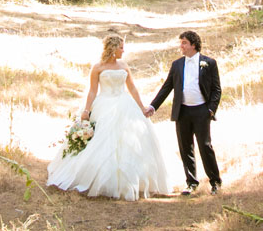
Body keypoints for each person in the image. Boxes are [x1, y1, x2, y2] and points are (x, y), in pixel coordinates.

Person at [46, 35, 174, 200]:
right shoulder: (97, 68)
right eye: (121, 47)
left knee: (129, 142)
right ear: (113, 49)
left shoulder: (124, 65)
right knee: (103, 142)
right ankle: (98, 178)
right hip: (104, 105)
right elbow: (92, 91)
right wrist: (86, 110)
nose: (123, 50)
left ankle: (130, 181)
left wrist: (141, 107)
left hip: (125, 105)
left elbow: (133, 88)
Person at [145, 30, 222, 195]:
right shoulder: (177, 65)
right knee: (185, 147)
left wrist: (210, 109)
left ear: (193, 45)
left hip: (202, 111)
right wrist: (153, 107)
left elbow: (216, 90)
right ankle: (191, 182)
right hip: (183, 111)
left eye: (184, 43)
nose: (181, 46)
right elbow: (166, 88)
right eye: (181, 43)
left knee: (205, 146)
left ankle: (215, 181)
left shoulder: (209, 63)